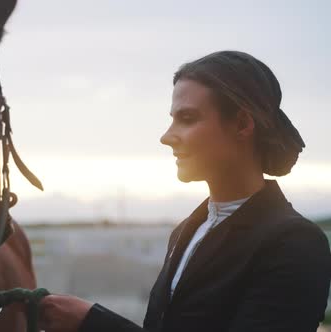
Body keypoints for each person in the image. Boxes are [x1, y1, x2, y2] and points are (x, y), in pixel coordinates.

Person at [37, 50, 331, 332]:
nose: (166, 137)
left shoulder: (295, 244)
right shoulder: (185, 231)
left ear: (242, 124)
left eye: (187, 119)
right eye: (172, 119)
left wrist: (93, 324)